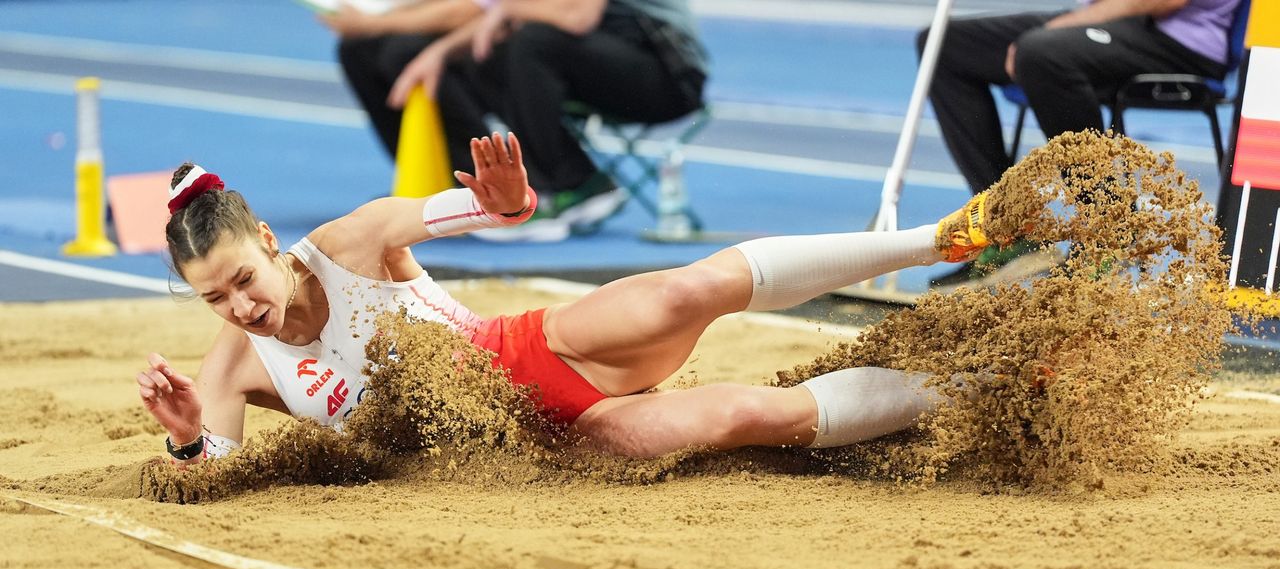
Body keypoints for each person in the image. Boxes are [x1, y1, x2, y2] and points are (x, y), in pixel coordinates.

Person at [137, 132, 1006, 465]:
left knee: (690, 289)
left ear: (270, 246)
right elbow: (219, 472)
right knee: (746, 416)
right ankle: (988, 386)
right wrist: (186, 441)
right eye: (214, 300)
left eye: (243, 281)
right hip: (551, 445)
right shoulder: (236, 364)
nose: (241, 308)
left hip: (530, 351)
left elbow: (484, 208)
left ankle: (941, 237)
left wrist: (508, 198)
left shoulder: (355, 241)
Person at [918, 0, 1242, 285]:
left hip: (1179, 41)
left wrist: (1059, 26)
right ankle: (1009, 232)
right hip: (1114, 19)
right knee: (943, 44)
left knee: (1041, 52)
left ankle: (1107, 229)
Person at [386, 0, 709, 242]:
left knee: (534, 40)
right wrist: (440, 53)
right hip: (608, 62)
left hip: (670, 78)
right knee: (487, 54)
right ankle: (579, 182)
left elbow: (577, 17)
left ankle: (548, 189)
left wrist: (505, 10)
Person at [322, 0, 486, 160]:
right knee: (358, 48)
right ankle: (421, 171)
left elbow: (469, 11)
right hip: (480, 30)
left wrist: (371, 23)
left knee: (405, 53)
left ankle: (478, 166)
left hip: (495, 39)